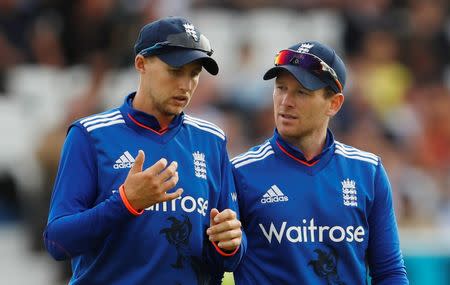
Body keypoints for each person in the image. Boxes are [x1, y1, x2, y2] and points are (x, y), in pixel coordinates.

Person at [44, 16, 245, 285]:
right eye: (175, 71)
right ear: (141, 64)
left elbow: (226, 256)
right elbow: (57, 241)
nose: (186, 85)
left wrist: (230, 243)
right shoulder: (91, 135)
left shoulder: (211, 140)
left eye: (194, 73)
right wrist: (126, 202)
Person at [231, 41, 408, 284]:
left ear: (334, 104)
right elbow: (217, 262)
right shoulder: (240, 172)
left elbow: (389, 271)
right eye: (281, 88)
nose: (286, 102)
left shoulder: (368, 171)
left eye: (301, 92)